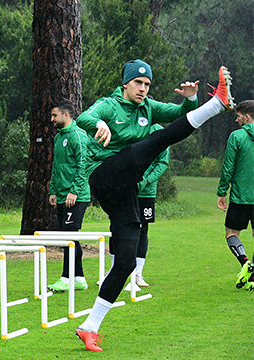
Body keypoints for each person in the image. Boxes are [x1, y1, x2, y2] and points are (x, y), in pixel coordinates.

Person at [72, 60, 235, 351]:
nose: (143, 89)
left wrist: (190, 100)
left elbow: (179, 115)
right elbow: (83, 117)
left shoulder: (149, 107)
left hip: (125, 188)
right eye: (138, 83)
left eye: (147, 85)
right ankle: (217, 104)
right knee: (158, 140)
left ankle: (90, 327)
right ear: (126, 83)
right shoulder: (109, 105)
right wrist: (99, 124)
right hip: (104, 175)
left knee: (126, 261)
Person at [47, 99, 91, 293]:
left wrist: (74, 191)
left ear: (66, 115)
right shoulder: (58, 137)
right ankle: (79, 278)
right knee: (69, 236)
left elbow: (83, 165)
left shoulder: (78, 136)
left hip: (77, 196)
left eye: (54, 115)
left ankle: (66, 278)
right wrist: (53, 191)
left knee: (68, 236)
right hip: (62, 195)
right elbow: (57, 166)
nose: (51, 119)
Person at [216, 100, 254, 290]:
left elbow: (228, 166)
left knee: (231, 234)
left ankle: (246, 262)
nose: (236, 119)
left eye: (238, 116)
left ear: (247, 117)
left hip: (240, 197)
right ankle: (253, 278)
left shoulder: (236, 136)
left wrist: (222, 192)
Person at [133, 123, 169, 288]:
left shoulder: (159, 132)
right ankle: (113, 270)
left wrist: (146, 180)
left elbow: (162, 163)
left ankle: (138, 273)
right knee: (119, 227)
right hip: (127, 190)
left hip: (146, 193)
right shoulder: (130, 126)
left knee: (143, 229)